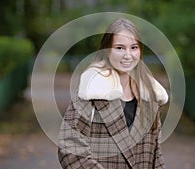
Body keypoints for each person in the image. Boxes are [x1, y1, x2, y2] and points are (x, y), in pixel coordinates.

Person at [58, 18, 168, 169]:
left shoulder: (151, 95)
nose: (128, 55)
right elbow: (69, 149)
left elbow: (156, 153)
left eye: (134, 47)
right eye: (120, 48)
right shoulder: (91, 91)